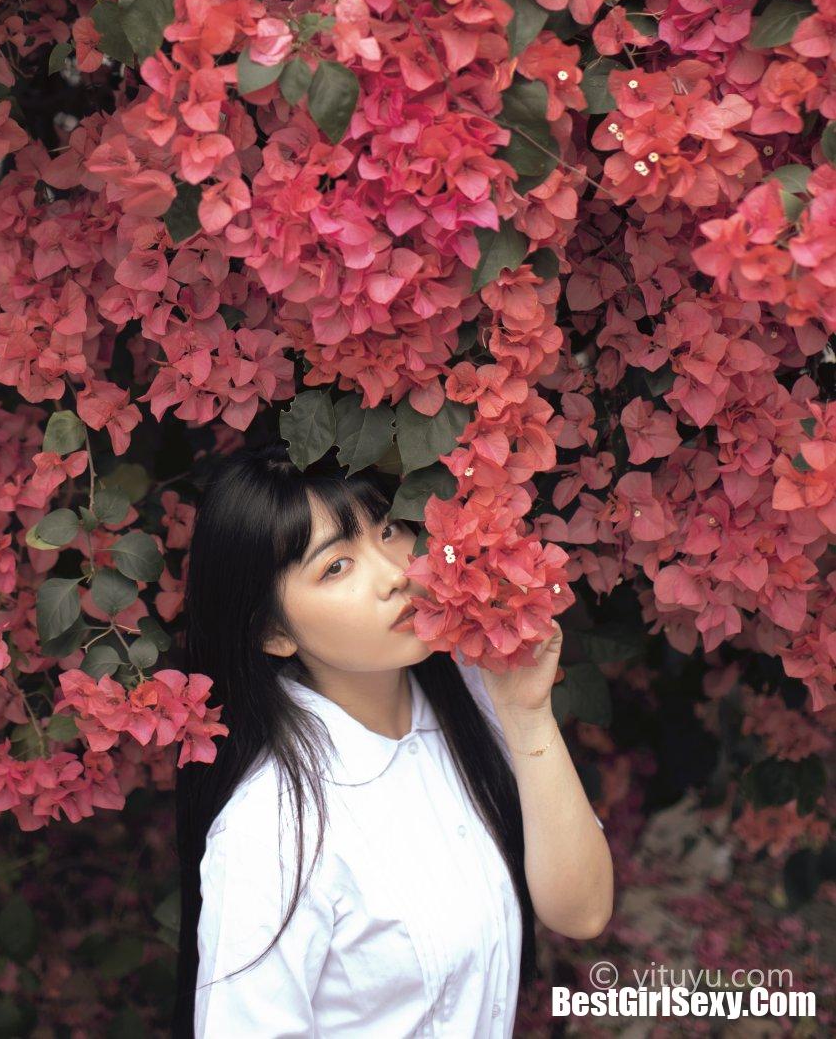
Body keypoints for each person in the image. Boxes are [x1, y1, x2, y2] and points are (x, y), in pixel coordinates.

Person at [171, 442, 613, 1037]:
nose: (396, 574)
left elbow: (582, 913)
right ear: (273, 632)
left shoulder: (475, 695)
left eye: (389, 531)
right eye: (336, 566)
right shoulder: (269, 828)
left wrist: (528, 716)